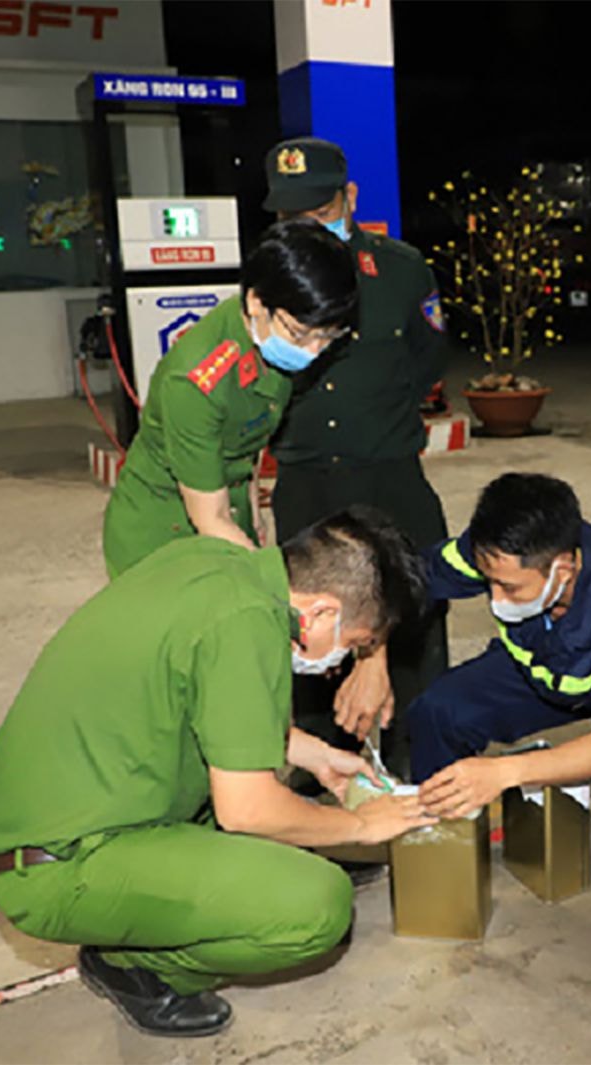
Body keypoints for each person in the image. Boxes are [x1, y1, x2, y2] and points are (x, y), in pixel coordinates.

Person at [0, 507, 435, 1037]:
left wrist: (309, 752)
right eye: (353, 644)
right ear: (323, 611)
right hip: (58, 867)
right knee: (317, 906)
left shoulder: (215, 564)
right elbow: (247, 811)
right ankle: (134, 967)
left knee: (287, 831)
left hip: (64, 813)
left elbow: (192, 692)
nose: (337, 664)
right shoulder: (247, 625)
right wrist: (362, 827)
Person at [261, 137, 456, 782]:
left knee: (415, 615)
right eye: (295, 218)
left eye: (321, 209)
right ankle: (321, 774)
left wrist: (384, 416)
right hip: (306, 481)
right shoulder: (267, 273)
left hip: (387, 473)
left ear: (350, 197)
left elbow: (429, 355)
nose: (310, 227)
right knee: (303, 634)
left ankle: (421, 765)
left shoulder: (401, 270)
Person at [358, 473, 591, 822]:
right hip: (541, 669)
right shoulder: (495, 552)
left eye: (510, 589)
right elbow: (406, 583)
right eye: (489, 583)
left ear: (563, 570)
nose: (496, 599)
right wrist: (371, 659)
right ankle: (441, 823)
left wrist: (504, 772)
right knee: (436, 712)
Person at [101, 218, 358, 579]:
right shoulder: (195, 383)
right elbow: (211, 518)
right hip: (162, 528)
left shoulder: (269, 335)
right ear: (256, 302)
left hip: (226, 503)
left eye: (328, 336)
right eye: (301, 334)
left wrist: (252, 512)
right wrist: (274, 586)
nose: (314, 351)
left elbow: (247, 440)